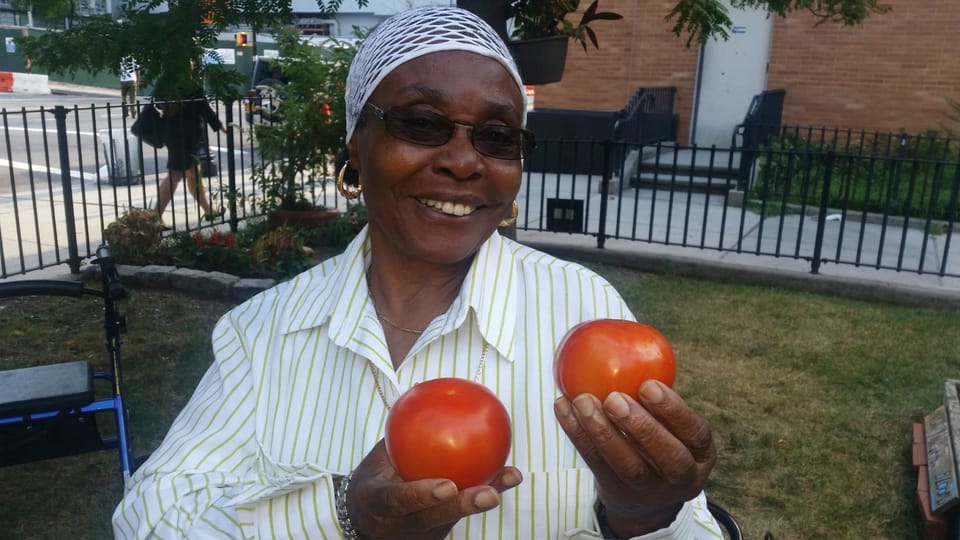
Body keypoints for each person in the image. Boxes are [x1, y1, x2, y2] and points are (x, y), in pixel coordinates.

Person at [113, 7, 721, 539]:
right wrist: (341, 519)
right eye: (422, 123)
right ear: (356, 144)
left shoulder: (585, 309)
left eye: (496, 136)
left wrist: (644, 518)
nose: (462, 160)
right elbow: (151, 517)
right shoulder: (264, 334)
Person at [152, 74, 227, 225]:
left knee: (193, 173)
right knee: (175, 175)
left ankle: (208, 210)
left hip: (171, 132)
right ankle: (155, 217)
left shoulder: (164, 81)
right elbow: (203, 107)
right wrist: (218, 125)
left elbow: (157, 102)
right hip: (186, 135)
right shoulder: (190, 84)